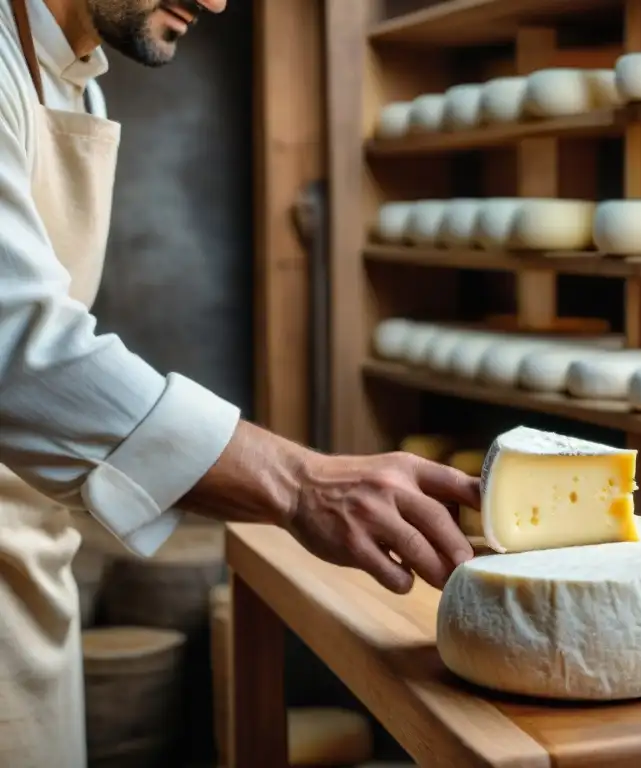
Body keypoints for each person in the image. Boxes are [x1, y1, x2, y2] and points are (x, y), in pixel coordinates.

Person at [0, 0, 479, 763]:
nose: (218, 2)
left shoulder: (76, 79)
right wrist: (297, 485)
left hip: (26, 576)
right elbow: (19, 352)